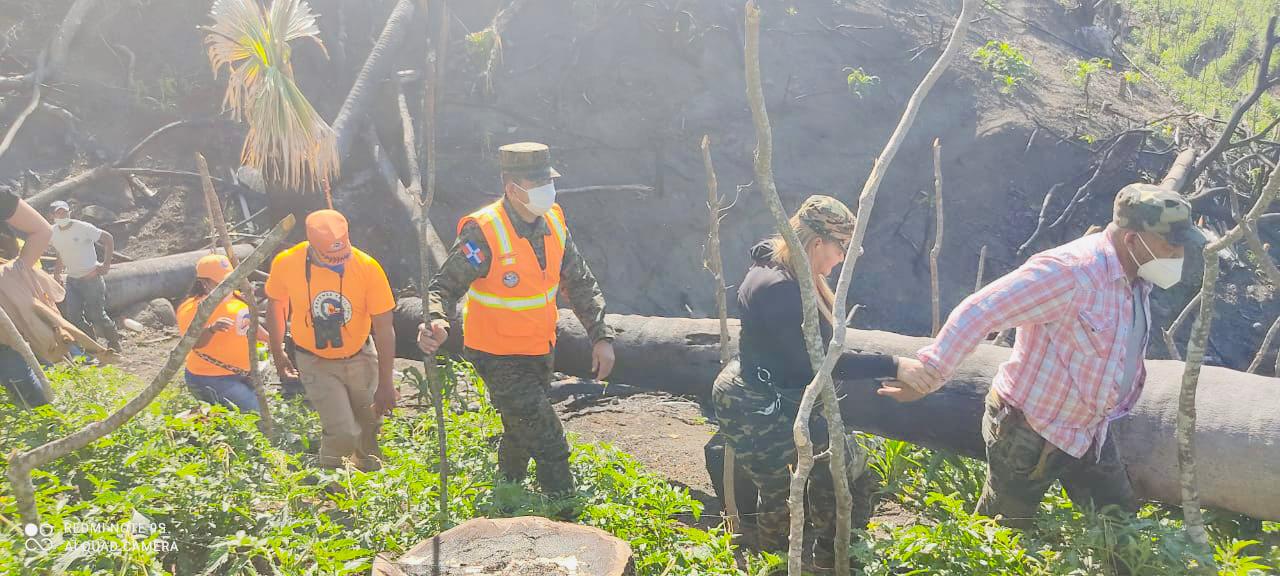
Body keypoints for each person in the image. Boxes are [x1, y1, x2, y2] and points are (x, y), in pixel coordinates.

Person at [882, 183, 1205, 529]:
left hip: (1090, 430)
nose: (1178, 253)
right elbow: (981, 310)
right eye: (1172, 243)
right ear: (1131, 239)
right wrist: (931, 372)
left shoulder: (1136, 273)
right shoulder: (1071, 272)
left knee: (1120, 522)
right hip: (1028, 430)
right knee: (1005, 533)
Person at [709, 195, 935, 569]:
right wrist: (895, 365)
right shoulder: (779, 290)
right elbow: (817, 365)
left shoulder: (779, 259)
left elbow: (810, 361)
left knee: (850, 473)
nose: (842, 258)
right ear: (817, 244)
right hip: (757, 404)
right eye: (841, 248)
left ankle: (834, 556)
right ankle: (779, 564)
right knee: (782, 493)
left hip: (782, 393)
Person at [417, 142, 616, 500]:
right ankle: (565, 509)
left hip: (539, 347)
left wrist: (601, 336)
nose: (546, 190)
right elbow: (442, 286)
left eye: (548, 181)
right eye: (537, 183)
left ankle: (507, 492)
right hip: (496, 354)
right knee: (549, 441)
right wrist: (436, 320)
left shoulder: (553, 220)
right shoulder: (484, 231)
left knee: (519, 429)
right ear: (512, 188)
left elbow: (580, 281)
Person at [265, 210, 398, 470]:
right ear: (311, 246)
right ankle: (333, 491)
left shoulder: (367, 267)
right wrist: (277, 350)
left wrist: (386, 382)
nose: (339, 263)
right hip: (315, 361)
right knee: (343, 432)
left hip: (360, 356)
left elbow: (384, 328)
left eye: (342, 255)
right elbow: (276, 304)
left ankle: (371, 486)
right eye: (331, 259)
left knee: (370, 425)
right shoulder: (287, 262)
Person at [176, 254, 265, 413]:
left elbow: (251, 326)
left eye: (231, 278)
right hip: (211, 378)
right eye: (222, 281)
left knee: (255, 413)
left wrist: (276, 344)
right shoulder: (191, 309)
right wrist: (211, 330)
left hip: (240, 374)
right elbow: (193, 343)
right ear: (204, 283)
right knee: (257, 414)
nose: (229, 285)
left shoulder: (236, 299)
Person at [0, 189, 53, 407]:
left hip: (8, 306)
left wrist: (14, 275)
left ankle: (55, 431)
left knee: (25, 379)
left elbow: (41, 231)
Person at [47, 200, 121, 353]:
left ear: (69, 212)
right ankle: (92, 346)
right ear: (52, 216)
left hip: (91, 278)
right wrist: (57, 273)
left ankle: (114, 342)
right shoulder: (52, 231)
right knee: (74, 316)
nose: (63, 215)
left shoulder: (82, 227)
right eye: (59, 213)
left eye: (65, 212)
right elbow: (61, 252)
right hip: (72, 280)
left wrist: (106, 264)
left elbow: (108, 238)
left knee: (97, 314)